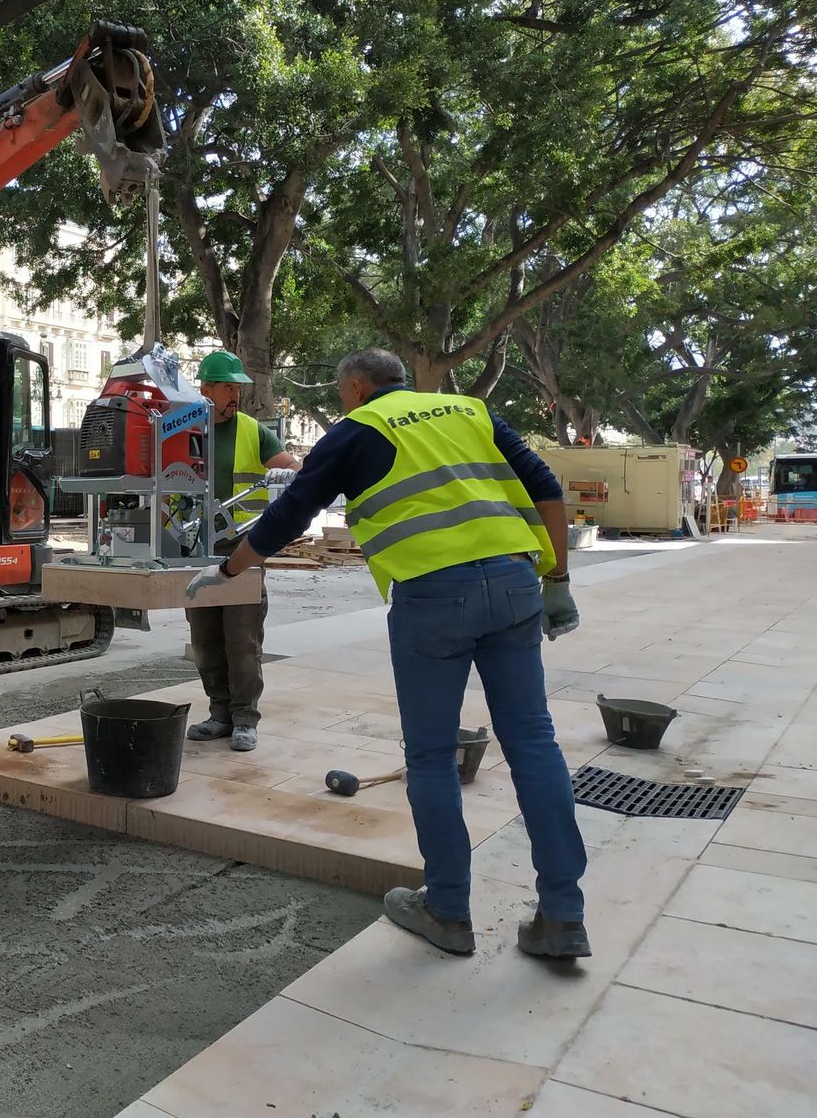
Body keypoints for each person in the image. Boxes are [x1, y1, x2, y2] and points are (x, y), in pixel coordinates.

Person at [189, 348, 589, 960]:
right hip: (514, 584)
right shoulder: (471, 409)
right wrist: (557, 580)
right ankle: (563, 915)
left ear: (354, 387)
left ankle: (448, 910)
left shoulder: (354, 431)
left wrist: (226, 569)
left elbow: (291, 510)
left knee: (431, 756)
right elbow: (546, 488)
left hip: (435, 597)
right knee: (533, 742)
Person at [184, 350, 302, 753]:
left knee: (243, 638)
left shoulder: (252, 430)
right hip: (195, 549)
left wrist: (303, 471)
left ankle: (245, 719)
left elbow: (290, 466)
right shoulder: (183, 430)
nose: (235, 395)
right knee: (205, 639)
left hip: (243, 550)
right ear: (206, 389)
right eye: (228, 387)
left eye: (237, 388)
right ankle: (219, 713)